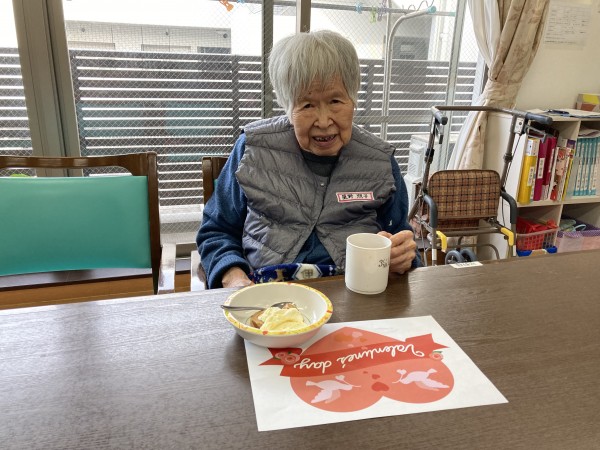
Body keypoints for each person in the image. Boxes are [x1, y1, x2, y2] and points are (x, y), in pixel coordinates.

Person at [197, 30, 419, 289]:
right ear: (287, 106)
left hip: (355, 293)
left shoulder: (380, 161)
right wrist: (233, 276)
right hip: (267, 294)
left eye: (335, 100)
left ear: (353, 99)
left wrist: (401, 257)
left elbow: (400, 241)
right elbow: (217, 230)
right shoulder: (253, 149)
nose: (323, 122)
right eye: (307, 105)